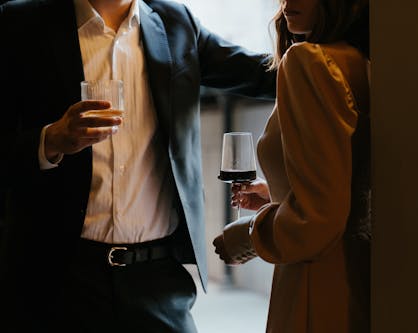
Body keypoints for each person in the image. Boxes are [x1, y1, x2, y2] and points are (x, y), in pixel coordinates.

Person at [0, 0, 275, 332]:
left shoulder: (176, 22)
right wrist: (51, 140)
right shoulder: (20, 22)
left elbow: (264, 75)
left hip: (158, 282)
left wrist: (336, 48)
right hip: (57, 278)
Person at [213, 0, 370, 332]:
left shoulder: (308, 61)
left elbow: (318, 220)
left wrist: (247, 236)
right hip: (363, 276)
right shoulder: (363, 61)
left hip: (318, 278)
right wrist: (278, 195)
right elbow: (349, 177)